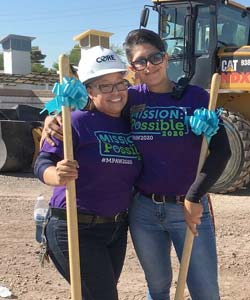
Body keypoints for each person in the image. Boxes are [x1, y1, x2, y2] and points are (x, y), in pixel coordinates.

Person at [42, 29, 231, 300]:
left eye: (155, 57)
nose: (149, 65)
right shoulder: (131, 98)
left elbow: (221, 151)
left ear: (166, 58)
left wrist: (195, 195)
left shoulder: (198, 98)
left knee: (205, 291)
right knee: (157, 287)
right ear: (132, 68)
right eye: (141, 61)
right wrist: (53, 117)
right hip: (143, 210)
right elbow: (88, 103)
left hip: (187, 206)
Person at [34, 45, 142, 300]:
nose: (115, 92)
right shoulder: (73, 122)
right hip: (74, 227)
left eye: (119, 83)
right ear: (89, 91)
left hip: (115, 230)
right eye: (105, 86)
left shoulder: (130, 122)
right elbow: (42, 162)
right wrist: (56, 175)